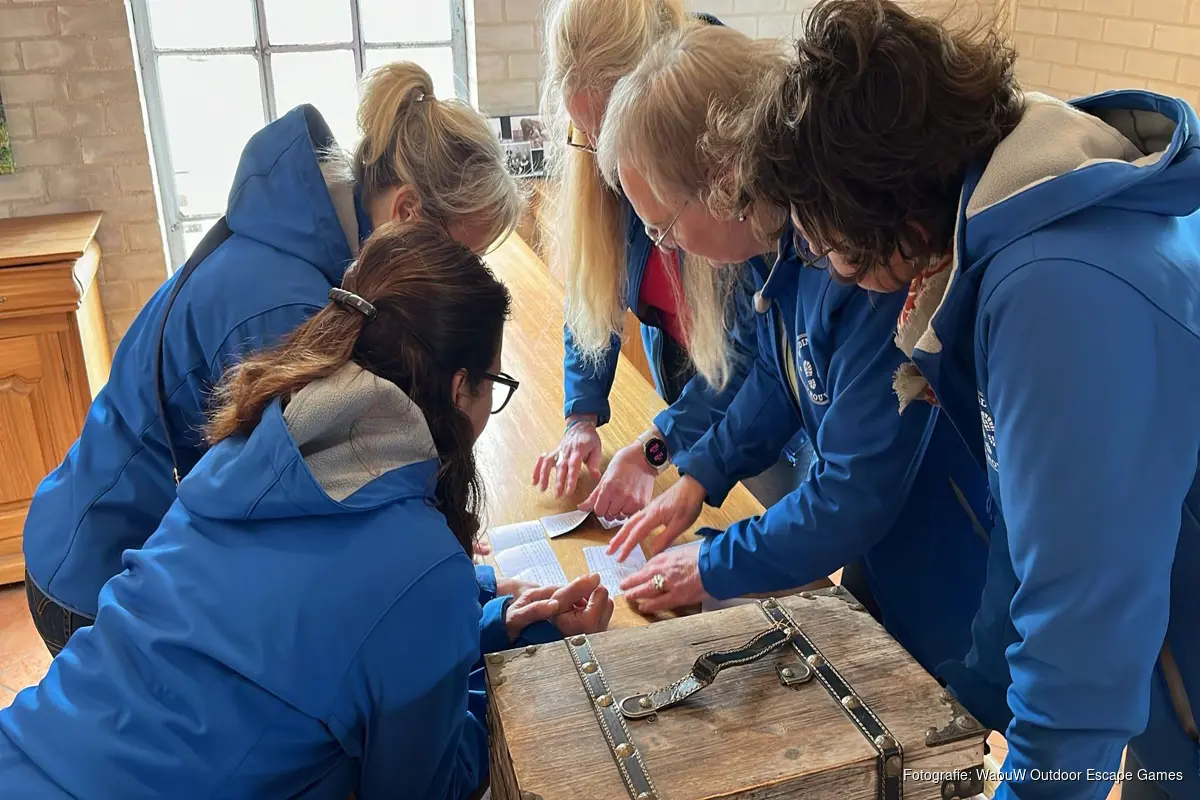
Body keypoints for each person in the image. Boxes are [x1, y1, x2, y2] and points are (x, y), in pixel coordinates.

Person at [717, 1, 1200, 797]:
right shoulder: (1015, 227)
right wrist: (966, 703)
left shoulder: (1054, 291)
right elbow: (1030, 534)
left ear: (889, 211)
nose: (830, 268)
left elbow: (1080, 661)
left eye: (823, 241)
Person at [0, 221, 614, 799]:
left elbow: (309, 654)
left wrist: (484, 628)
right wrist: (527, 658)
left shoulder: (250, 447)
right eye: (494, 385)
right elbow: (426, 787)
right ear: (460, 390)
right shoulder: (420, 565)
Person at [21, 61, 521, 655]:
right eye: (462, 255)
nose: (465, 278)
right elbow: (320, 535)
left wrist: (461, 582)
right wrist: (452, 584)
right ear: (408, 210)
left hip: (127, 547)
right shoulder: (284, 307)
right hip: (98, 573)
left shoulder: (315, 241)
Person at [591, 22, 991, 678]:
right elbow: (775, 378)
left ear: (724, 181)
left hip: (947, 558)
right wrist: (697, 476)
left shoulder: (861, 259)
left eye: (664, 226)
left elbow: (850, 494)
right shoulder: (773, 246)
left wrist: (711, 562)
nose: (665, 246)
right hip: (883, 548)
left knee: (945, 708)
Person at [532, 0, 811, 521]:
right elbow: (594, 289)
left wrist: (658, 448)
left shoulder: (763, 209)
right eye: (590, 139)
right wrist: (584, 416)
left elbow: (760, 367)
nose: (607, 166)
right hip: (702, 403)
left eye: (610, 133)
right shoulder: (626, 160)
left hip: (756, 418)